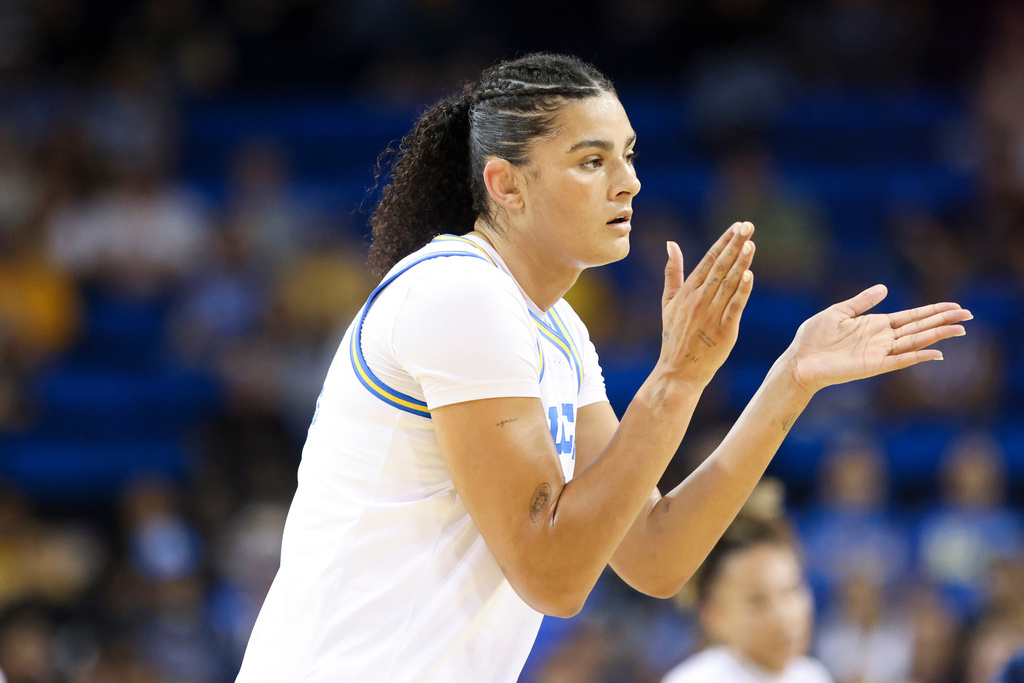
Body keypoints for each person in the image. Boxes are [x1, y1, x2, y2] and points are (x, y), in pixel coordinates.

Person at [235, 53, 971, 682]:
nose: (628, 183)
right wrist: (675, 379)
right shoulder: (457, 291)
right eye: (592, 161)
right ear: (506, 184)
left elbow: (653, 553)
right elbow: (552, 573)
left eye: (629, 155)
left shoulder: (553, 325)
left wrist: (791, 379)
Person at [661, 496, 833, 683]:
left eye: (790, 591)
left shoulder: (811, 675)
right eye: (757, 602)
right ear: (712, 615)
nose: (783, 615)